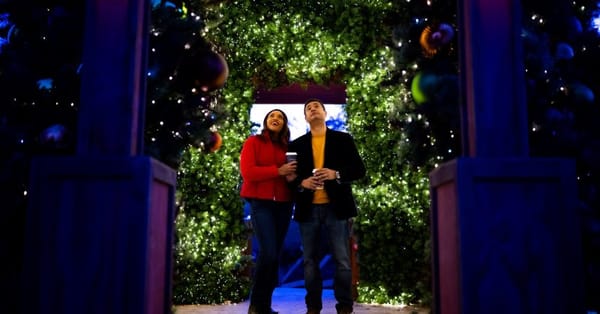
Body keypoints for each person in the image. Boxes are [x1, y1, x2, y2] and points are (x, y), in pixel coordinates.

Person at [289, 98, 366, 314]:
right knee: (309, 262)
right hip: (307, 208)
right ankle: (313, 307)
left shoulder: (343, 139)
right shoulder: (296, 145)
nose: (313, 109)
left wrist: (336, 174)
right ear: (305, 117)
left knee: (342, 260)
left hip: (337, 207)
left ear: (325, 113)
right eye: (308, 108)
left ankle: (345, 306)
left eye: (316, 107)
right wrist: (301, 182)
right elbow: (289, 176)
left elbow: (359, 170)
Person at [239, 109, 297, 314]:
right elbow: (248, 172)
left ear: (284, 125)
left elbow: (293, 179)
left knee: (272, 255)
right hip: (260, 203)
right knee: (268, 252)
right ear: (266, 121)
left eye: (280, 117)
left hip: (284, 205)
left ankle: (263, 305)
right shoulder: (253, 142)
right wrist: (277, 171)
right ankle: (256, 304)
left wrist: (291, 179)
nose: (276, 119)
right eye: (272, 116)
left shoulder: (288, 149)